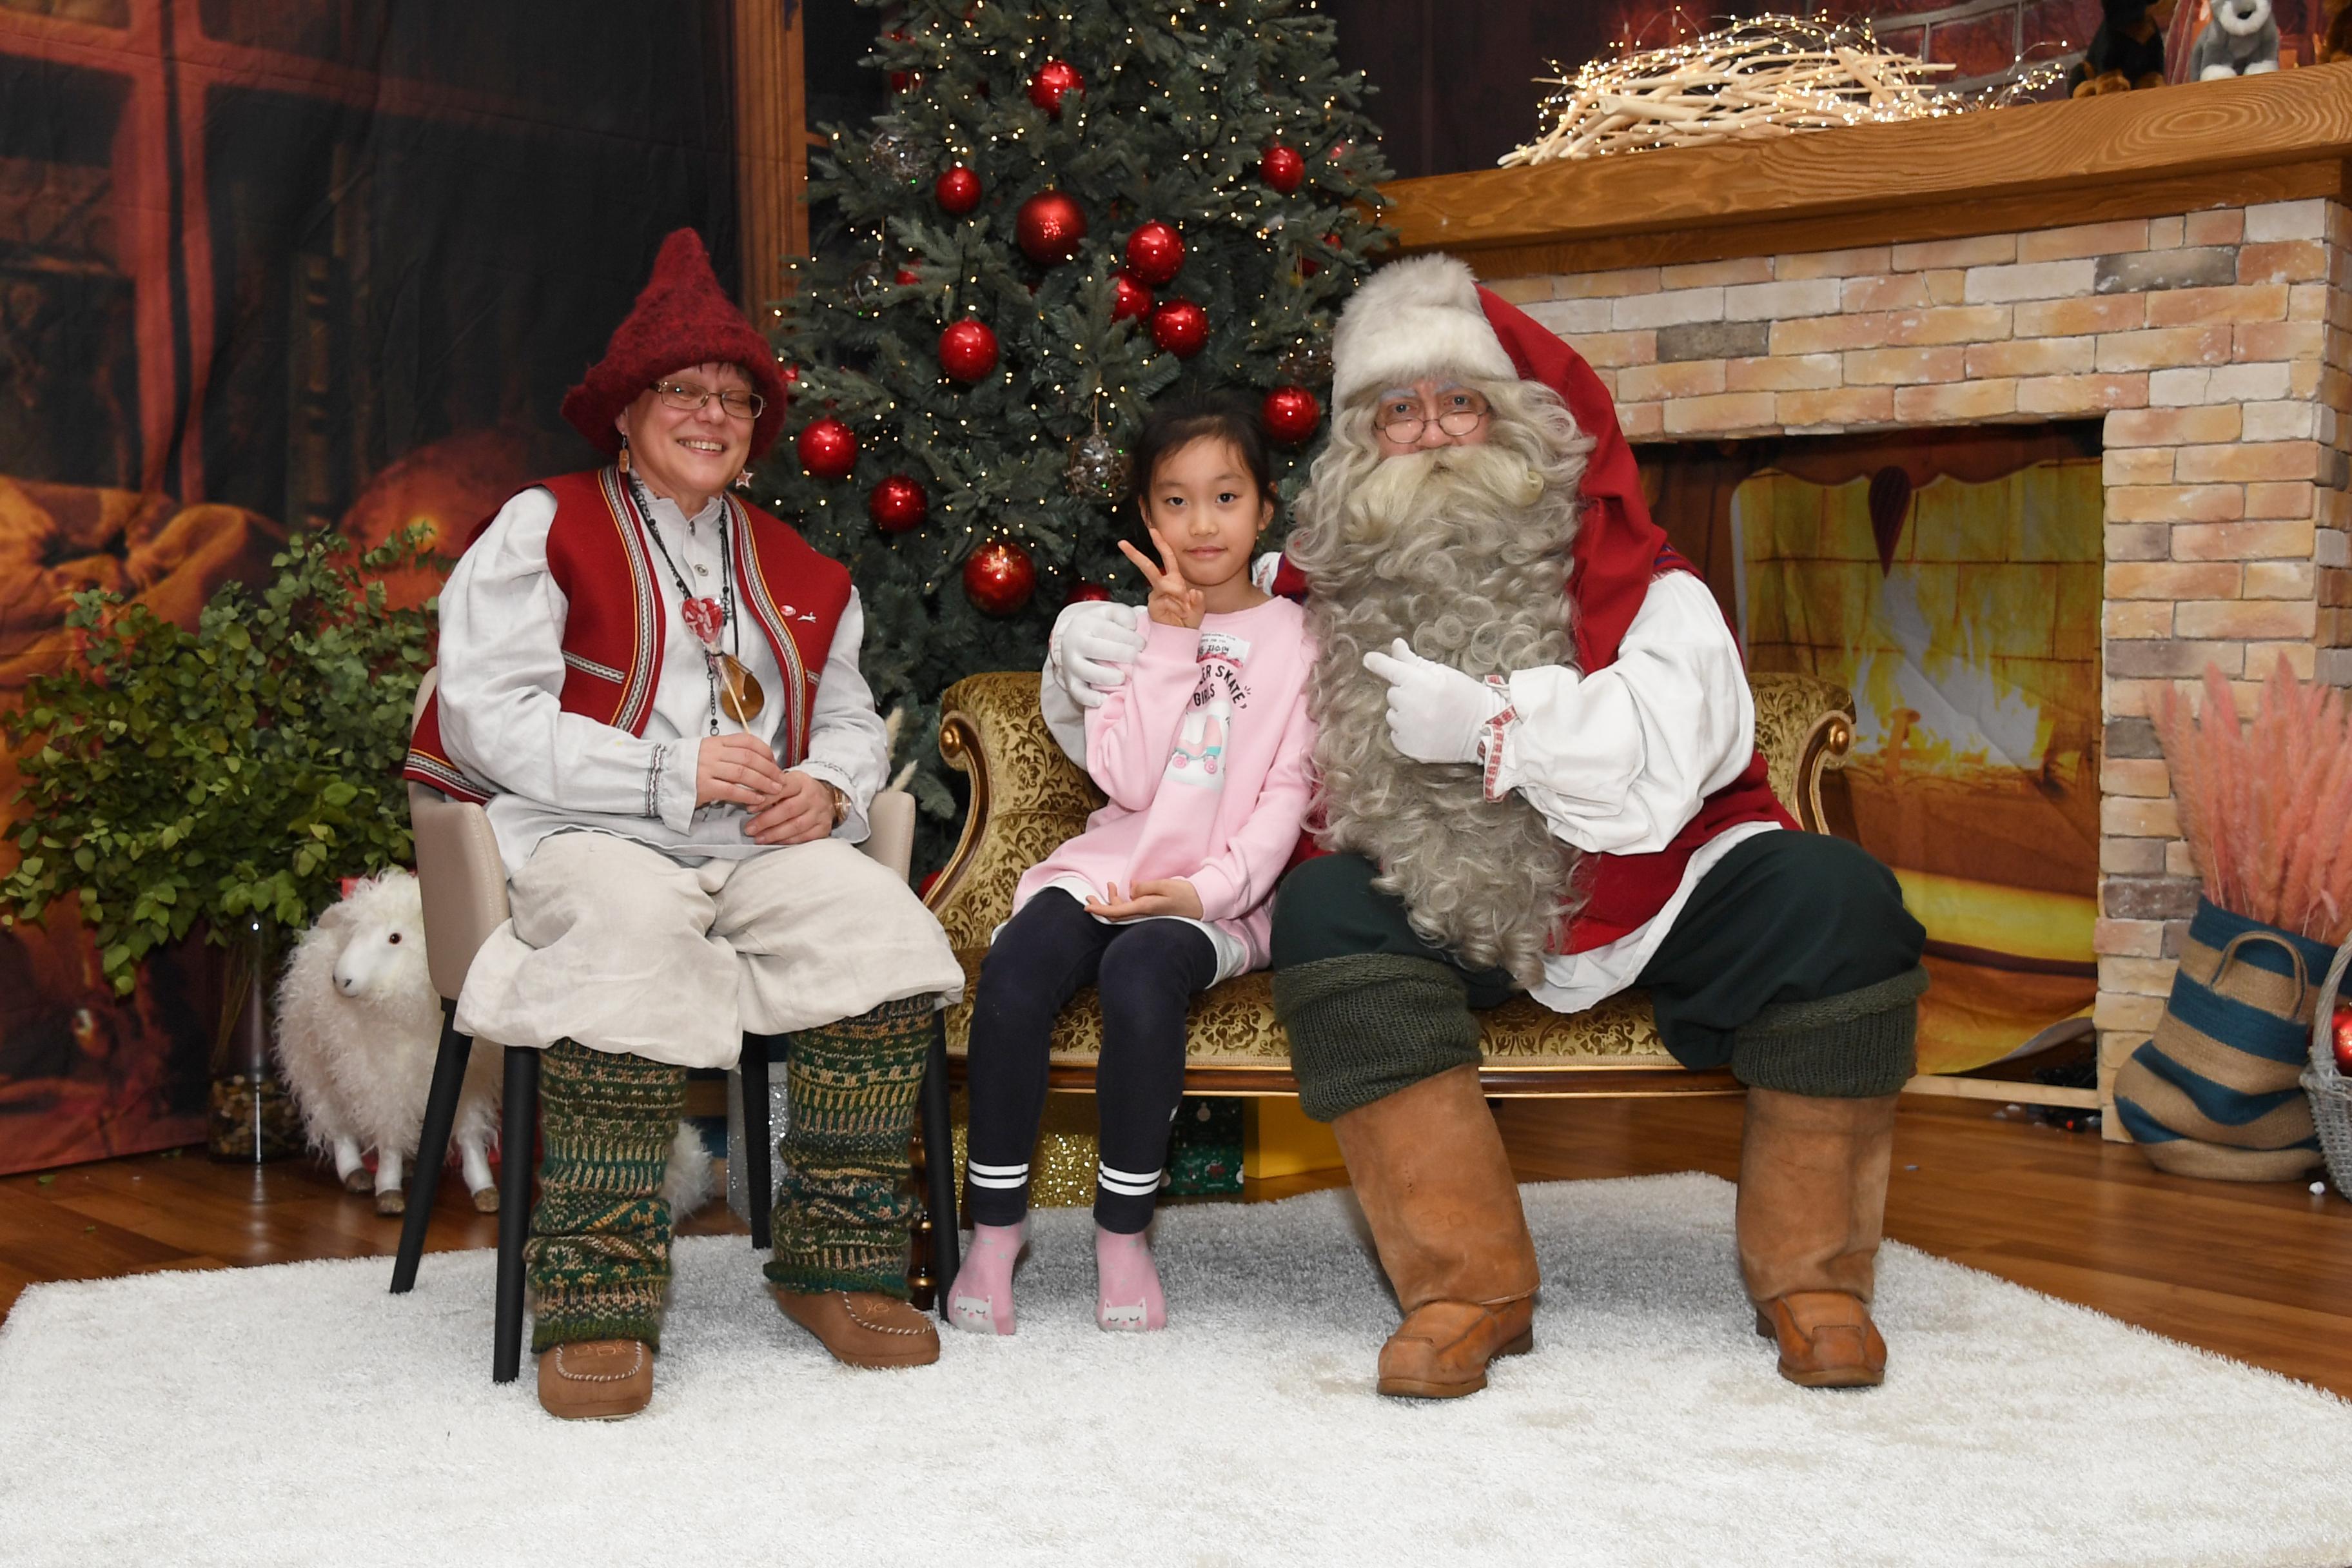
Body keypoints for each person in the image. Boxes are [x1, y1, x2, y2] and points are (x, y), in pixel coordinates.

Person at [1043, 255, 1926, 1398]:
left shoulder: (1647, 584)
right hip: (1435, 895)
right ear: (1361, 445)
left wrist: (1497, 728)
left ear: (1522, 423)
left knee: (1843, 904)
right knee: (1329, 907)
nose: (1434, 433)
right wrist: (1088, 657)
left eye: (1461, 402)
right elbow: (1178, 681)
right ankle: (1466, 1287)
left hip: (1643, 884)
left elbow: (1675, 757)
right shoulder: (1306, 582)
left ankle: (1817, 1281)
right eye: (1398, 412)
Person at [404, 230, 965, 1420]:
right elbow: (484, 716)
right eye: (685, 390)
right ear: (626, 410)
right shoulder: (539, 525)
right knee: (630, 928)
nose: (713, 413)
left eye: (735, 397)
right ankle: (597, 1295)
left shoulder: (802, 565)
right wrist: (667, 773)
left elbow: (855, 718)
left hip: (757, 846)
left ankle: (835, 1262)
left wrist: (834, 792)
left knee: (878, 929)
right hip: (582, 836)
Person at [950, 397, 1317, 1335]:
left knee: (1141, 971)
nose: (1203, 524)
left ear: (1265, 508)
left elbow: (1286, 801)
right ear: (1149, 521)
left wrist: (1208, 893)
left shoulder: (1304, 641)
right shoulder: (1132, 631)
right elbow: (1121, 774)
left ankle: (1123, 1236)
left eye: (1225, 497)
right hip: (1113, 862)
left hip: (1221, 896)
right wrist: (1170, 643)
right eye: (1177, 502)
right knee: (1022, 965)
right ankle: (994, 1233)